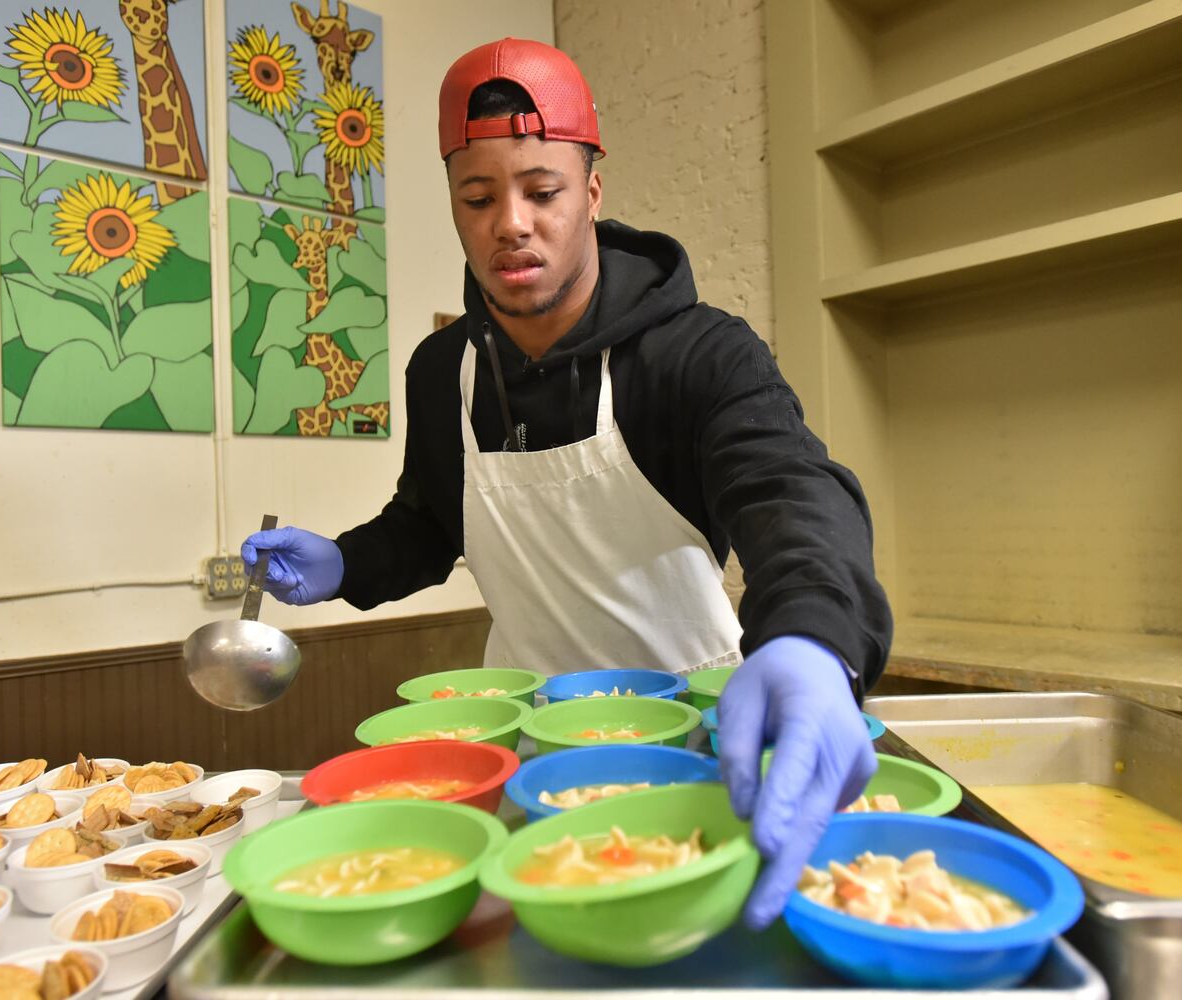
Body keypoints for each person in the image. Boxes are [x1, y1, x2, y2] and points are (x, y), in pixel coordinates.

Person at [242, 38, 893, 928]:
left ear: (592, 191)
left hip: (692, 740)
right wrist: (345, 564)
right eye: (479, 196)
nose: (512, 222)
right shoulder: (444, 372)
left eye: (542, 191)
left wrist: (819, 638)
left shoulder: (697, 353)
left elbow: (793, 491)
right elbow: (433, 527)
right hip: (517, 746)